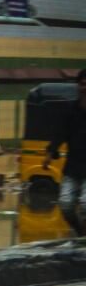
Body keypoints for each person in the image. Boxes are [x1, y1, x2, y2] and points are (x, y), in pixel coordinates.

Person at [43, 68, 86, 234]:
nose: (85, 88)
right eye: (82, 84)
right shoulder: (71, 111)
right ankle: (80, 233)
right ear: (78, 86)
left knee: (85, 205)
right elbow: (60, 133)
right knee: (66, 204)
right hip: (73, 167)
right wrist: (49, 154)